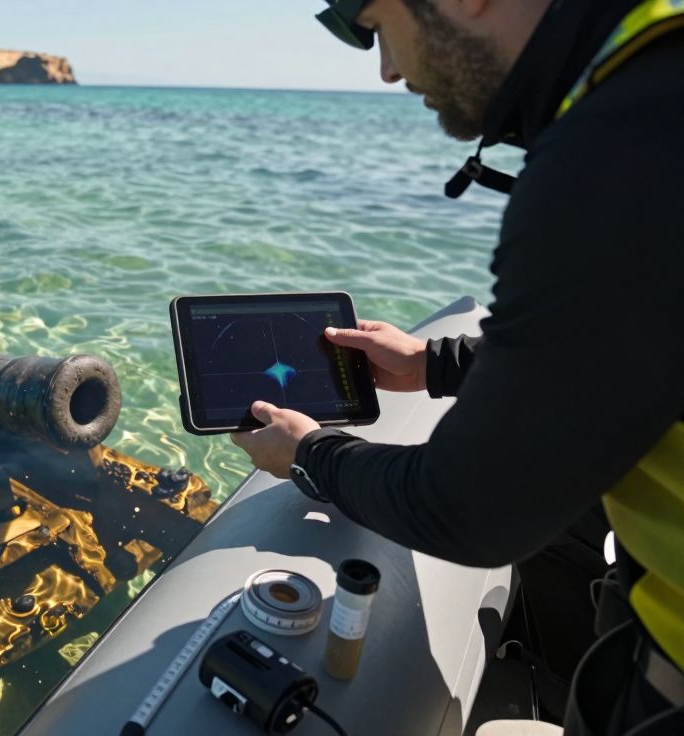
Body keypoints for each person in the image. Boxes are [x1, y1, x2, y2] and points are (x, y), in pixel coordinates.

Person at [233, 1, 684, 733]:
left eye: (377, 26)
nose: (386, 70)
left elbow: (466, 511)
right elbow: (625, 337)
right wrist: (432, 364)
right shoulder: (656, 94)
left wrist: (309, 453)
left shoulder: (613, 152)